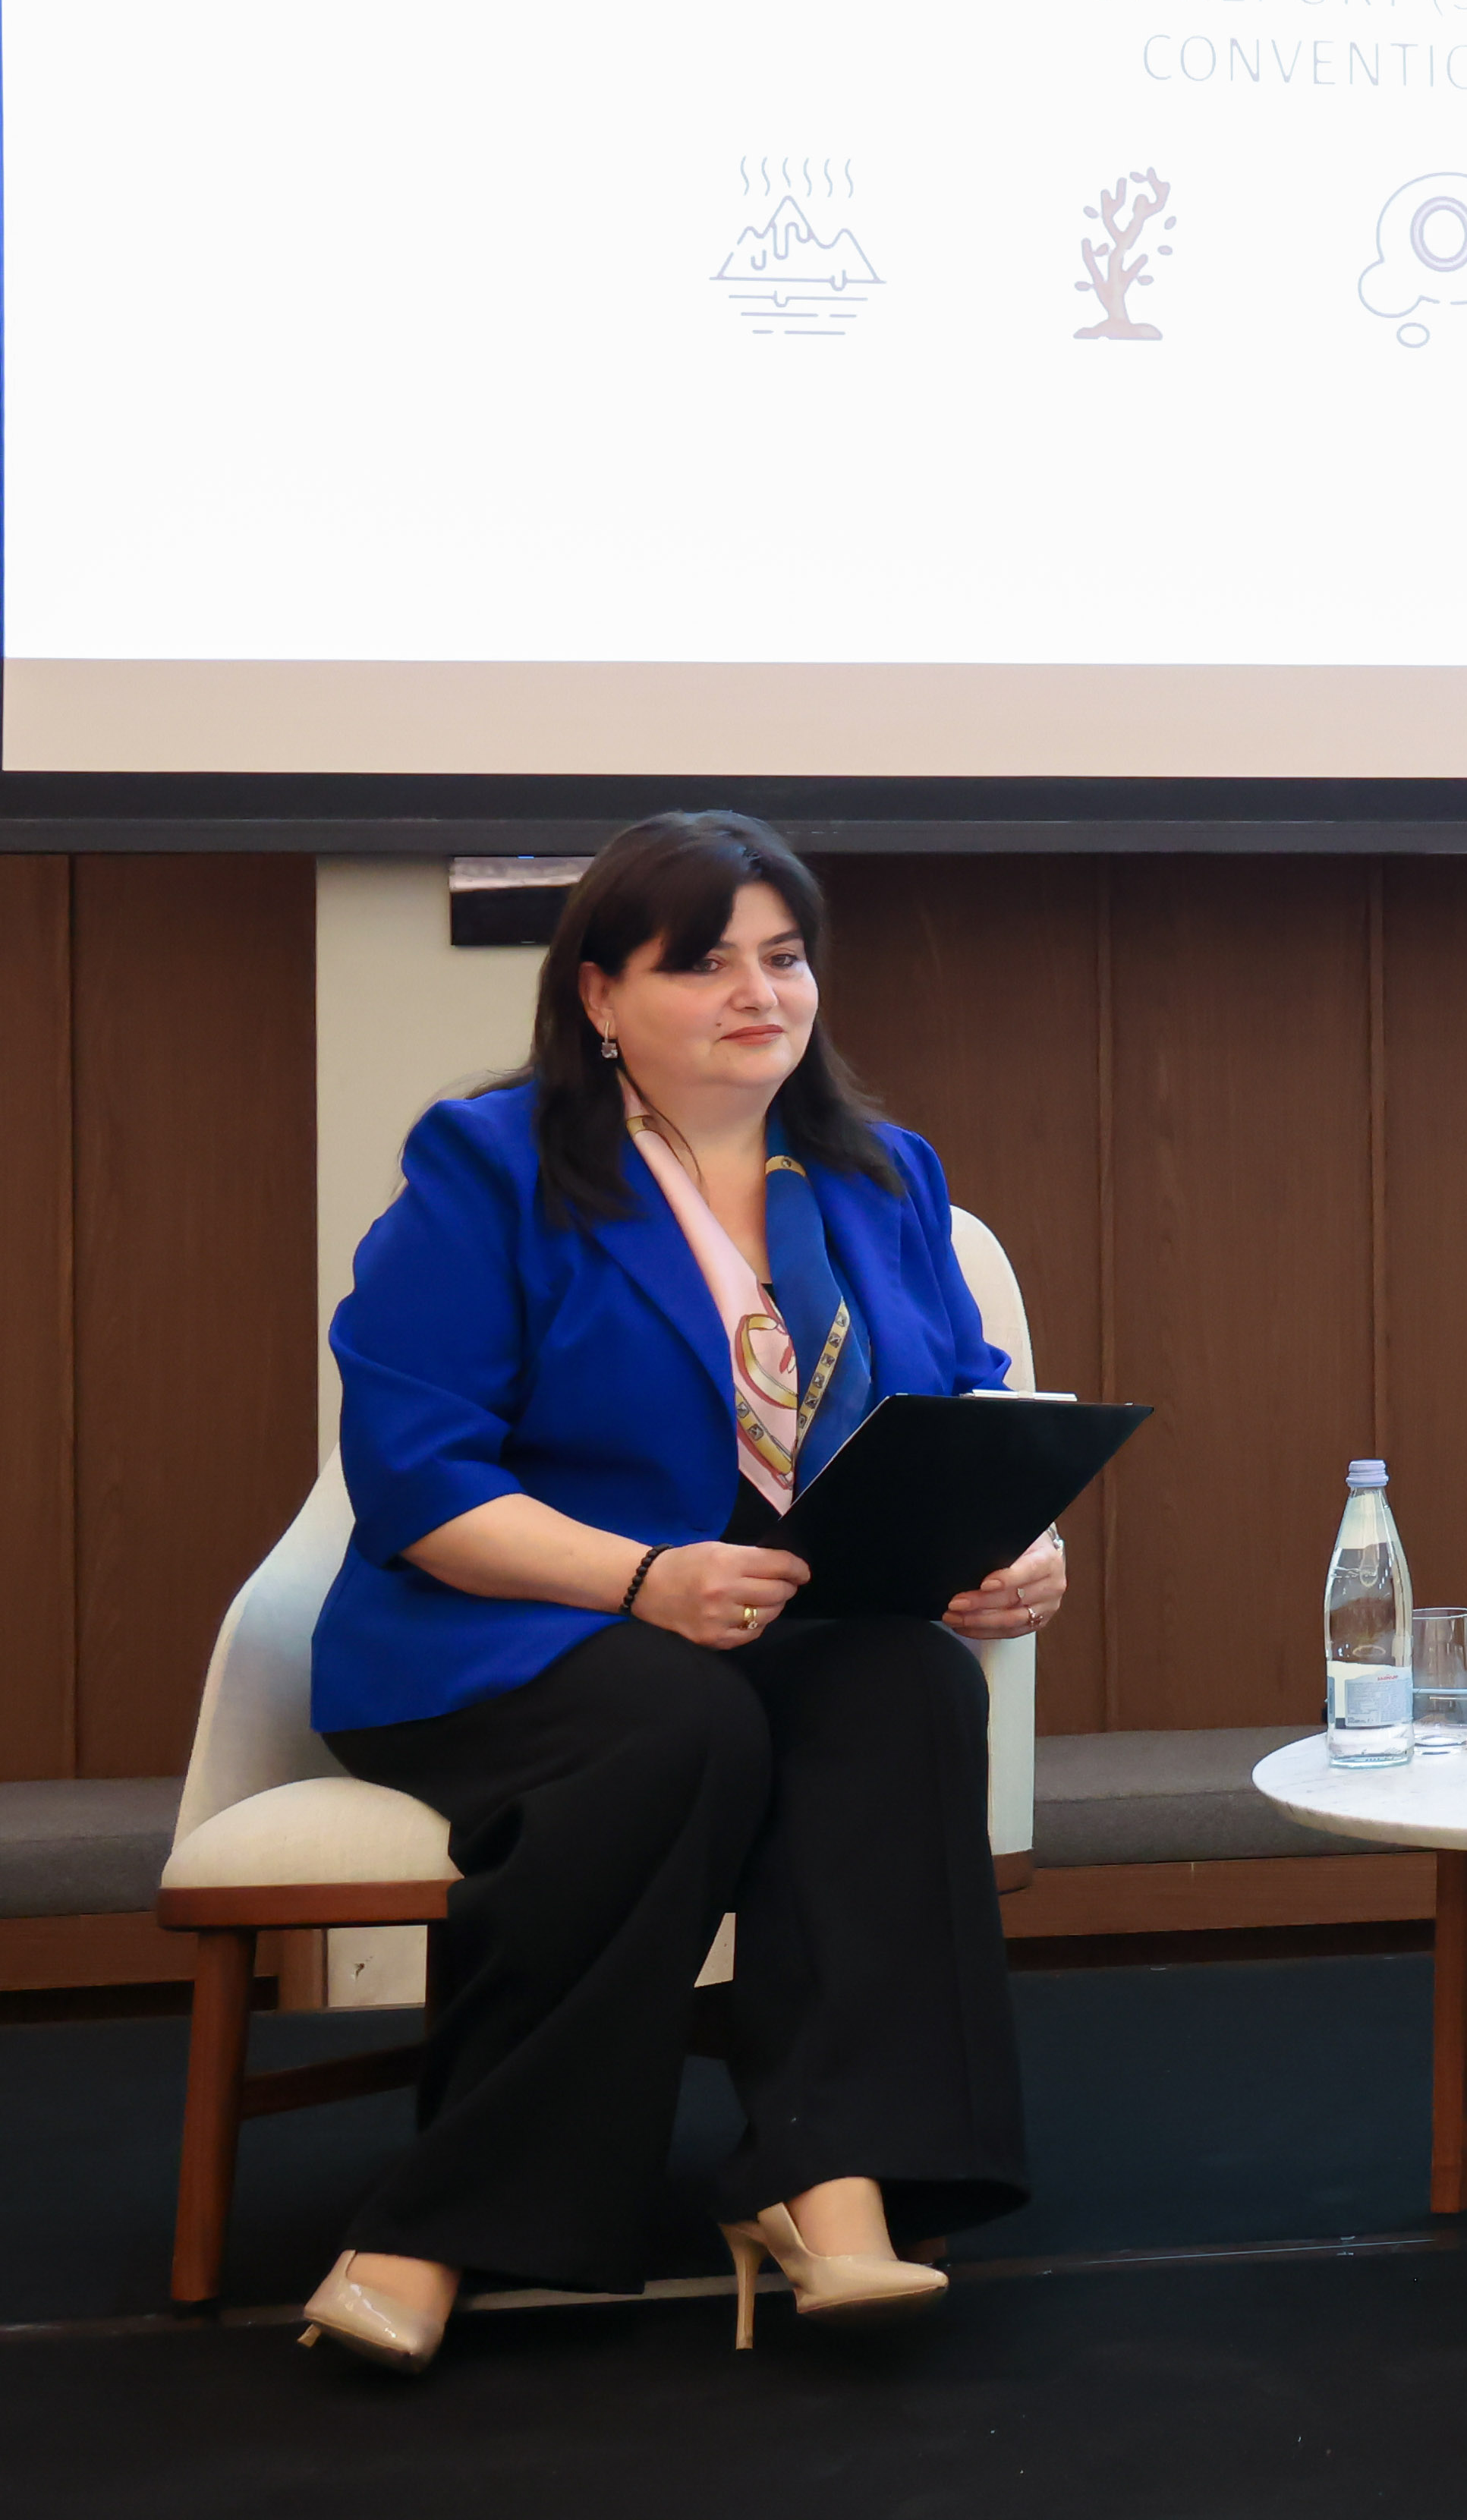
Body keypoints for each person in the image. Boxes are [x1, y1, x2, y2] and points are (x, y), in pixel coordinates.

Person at [293, 811, 1066, 2369]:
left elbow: (964, 1402)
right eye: (704, 961)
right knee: (678, 1723)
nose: (759, 993)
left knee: (904, 1684)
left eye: (784, 957)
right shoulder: (488, 1164)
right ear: (599, 993)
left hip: (774, 1621)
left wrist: (1012, 1545)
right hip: (511, 1632)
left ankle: (832, 2175)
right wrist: (642, 1576)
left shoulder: (880, 1174)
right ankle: (445, 2213)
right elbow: (418, 1476)